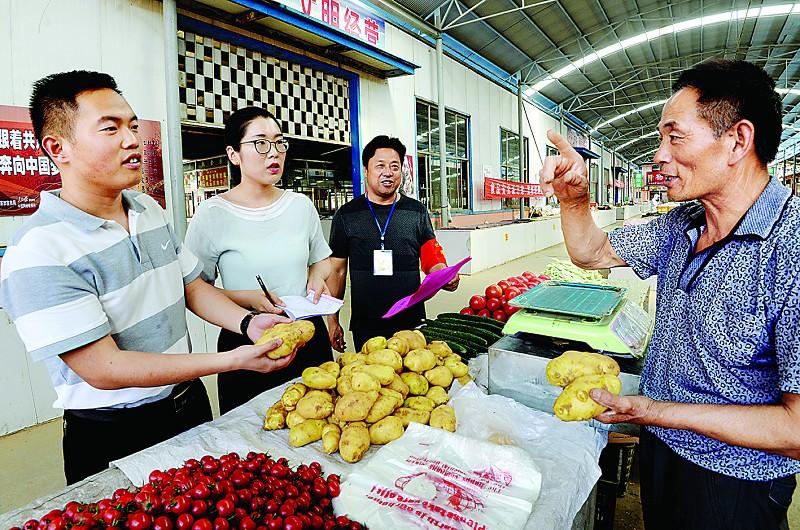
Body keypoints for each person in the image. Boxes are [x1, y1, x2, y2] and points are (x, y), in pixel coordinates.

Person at [539, 59, 799, 530]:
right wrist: (574, 200)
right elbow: (591, 252)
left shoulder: (791, 248)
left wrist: (653, 410)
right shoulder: (682, 225)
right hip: (661, 448)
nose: (658, 154)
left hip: (734, 482)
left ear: (738, 141)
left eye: (674, 136)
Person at [0, 71, 293, 484]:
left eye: (133, 126)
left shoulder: (146, 209)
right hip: (115, 431)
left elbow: (191, 287)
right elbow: (104, 367)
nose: (132, 139)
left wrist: (246, 322)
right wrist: (232, 360)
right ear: (57, 147)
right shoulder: (38, 250)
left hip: (189, 405)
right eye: (110, 128)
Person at [184, 106, 333, 414]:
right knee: (250, 440)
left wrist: (318, 277)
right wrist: (246, 299)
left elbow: (321, 259)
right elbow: (195, 289)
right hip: (247, 338)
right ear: (233, 154)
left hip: (307, 334)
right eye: (260, 143)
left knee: (319, 423)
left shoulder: (300, 206)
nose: (274, 153)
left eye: (279, 143)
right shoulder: (212, 214)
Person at [326, 135, 459, 352]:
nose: (388, 172)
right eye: (380, 166)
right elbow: (337, 272)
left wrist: (444, 274)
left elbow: (431, 255)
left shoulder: (416, 211)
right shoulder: (347, 215)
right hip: (366, 322)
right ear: (366, 170)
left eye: (395, 166)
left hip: (411, 321)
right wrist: (332, 320)